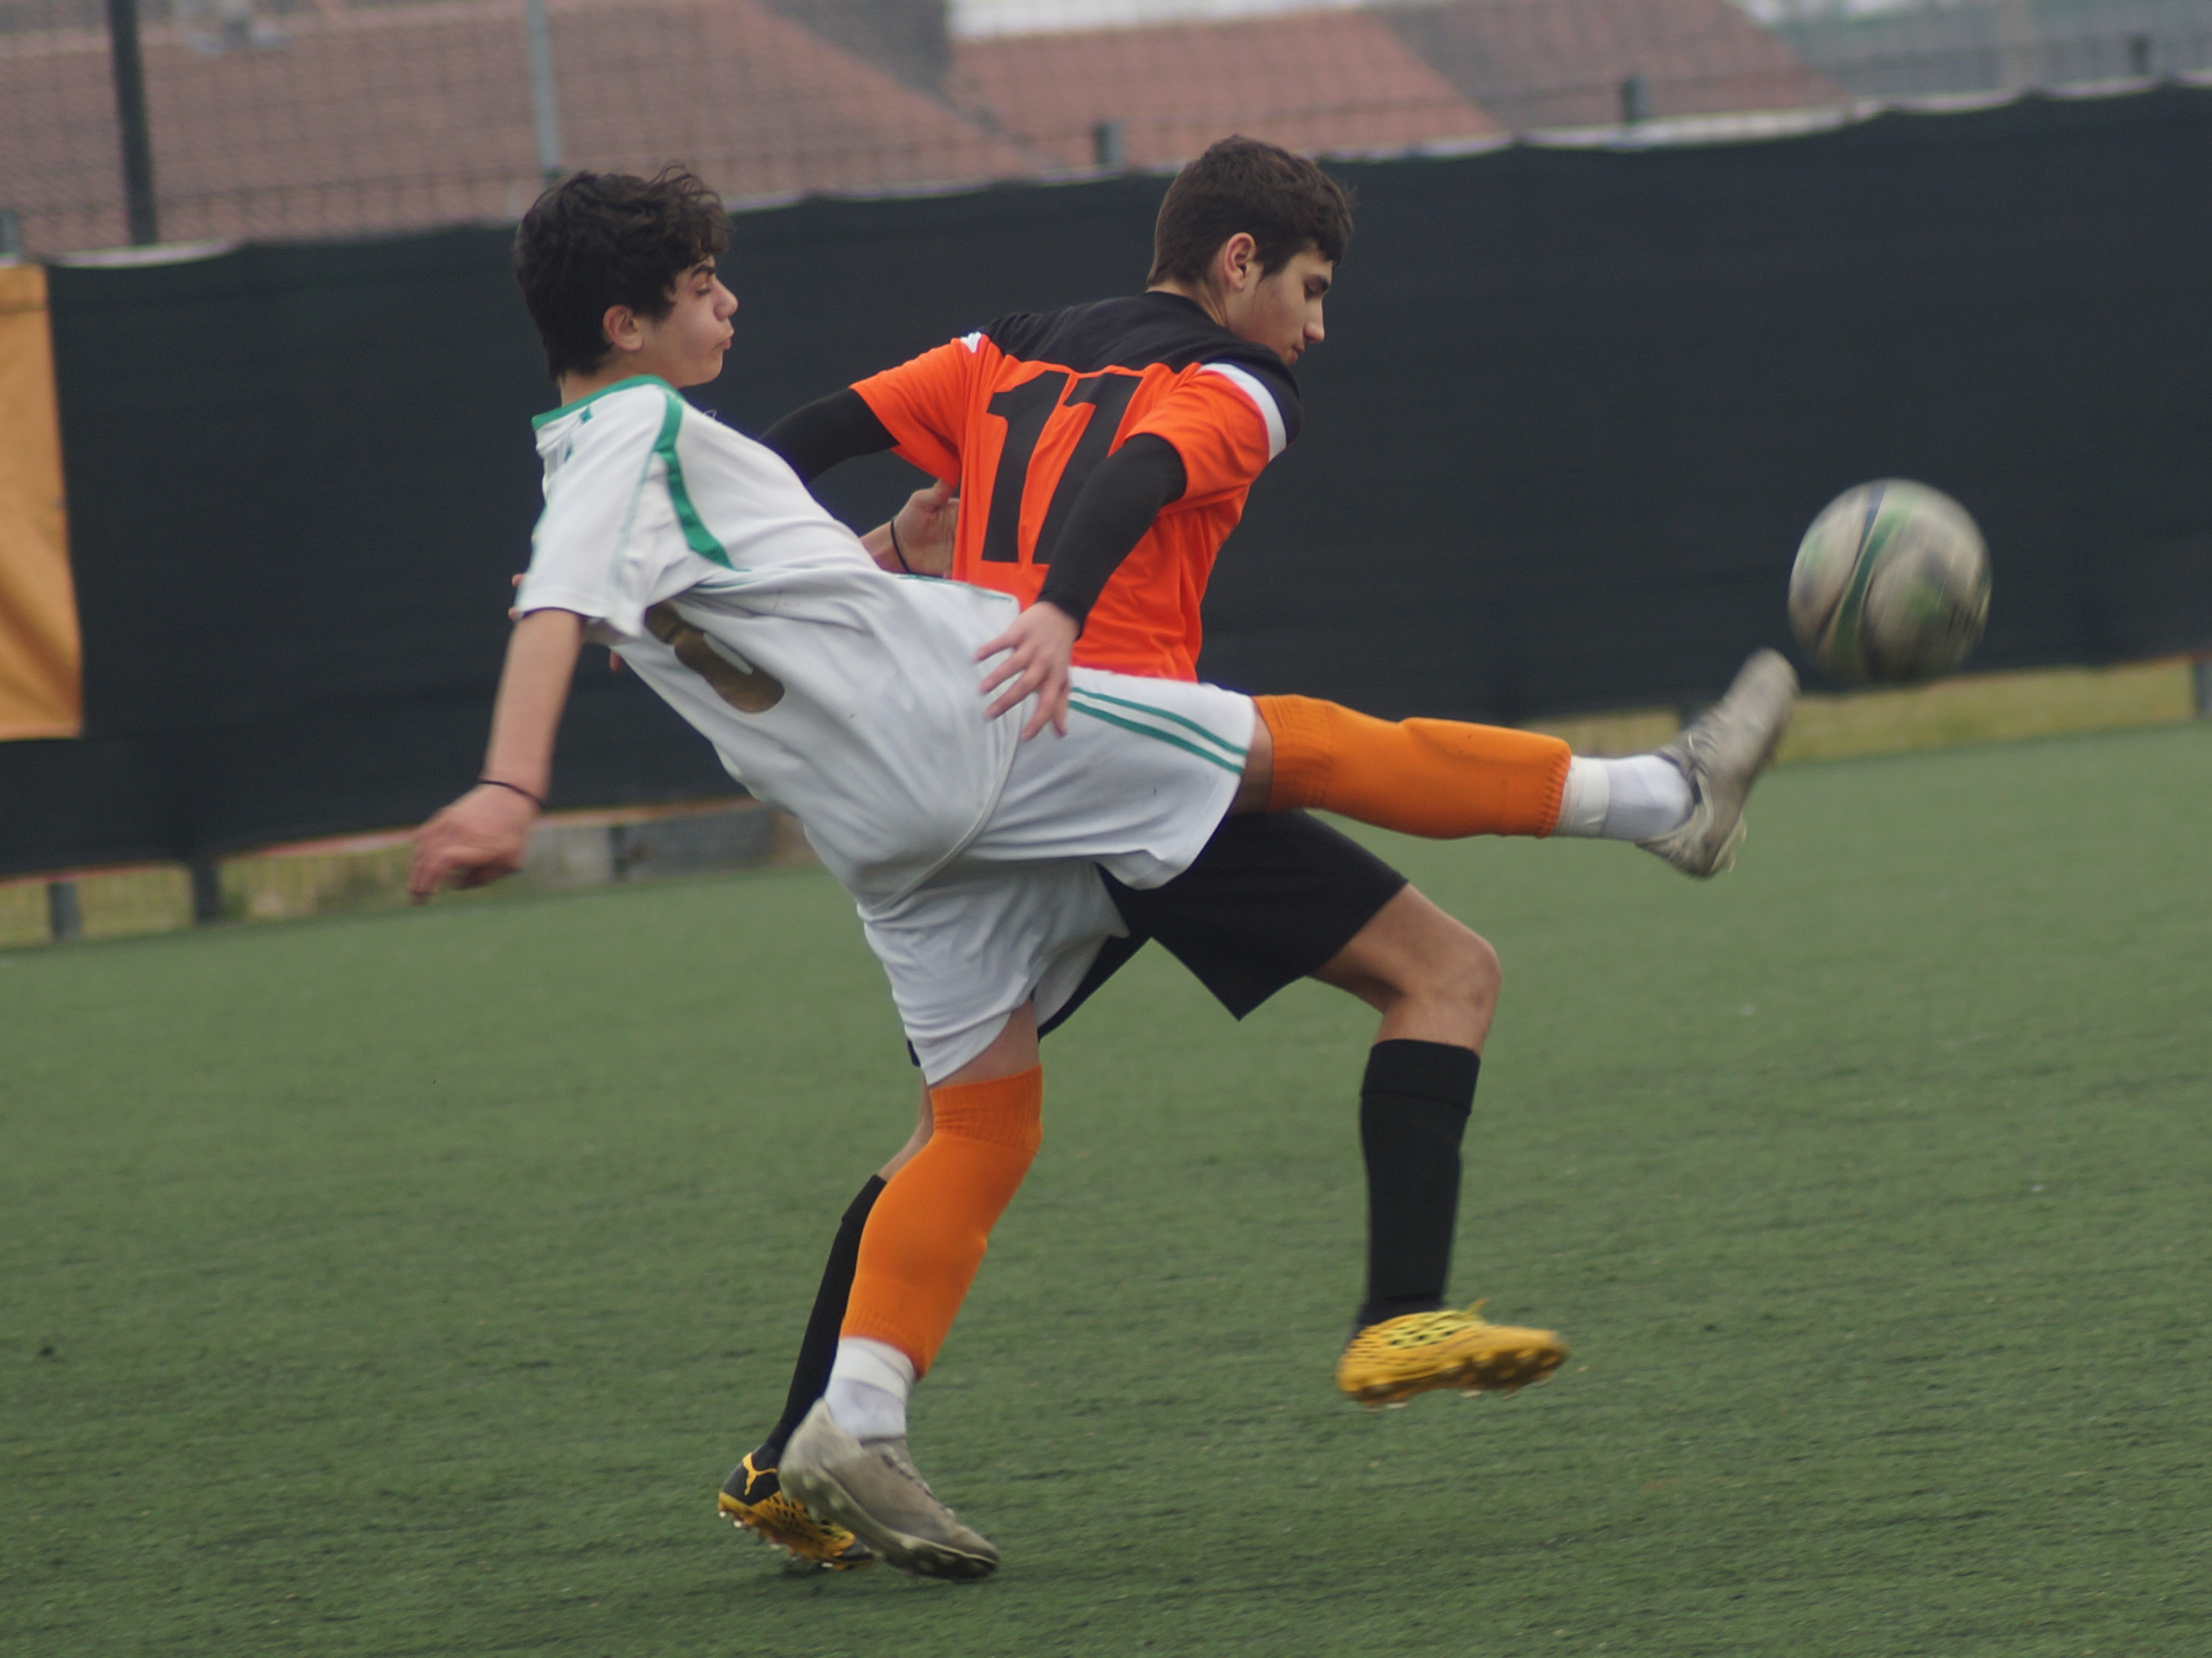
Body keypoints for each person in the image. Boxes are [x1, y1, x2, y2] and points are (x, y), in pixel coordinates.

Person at [411, 165, 1794, 1580]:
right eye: (705, 285)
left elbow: (734, 587)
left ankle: (850, 1424)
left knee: (979, 1122)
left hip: (878, 828)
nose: (731, 301)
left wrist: (888, 549)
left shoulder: (637, 450)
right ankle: (1664, 801)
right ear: (627, 321)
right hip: (988, 719)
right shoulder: (641, 430)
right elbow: (559, 609)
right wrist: (510, 792)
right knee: (1305, 749)